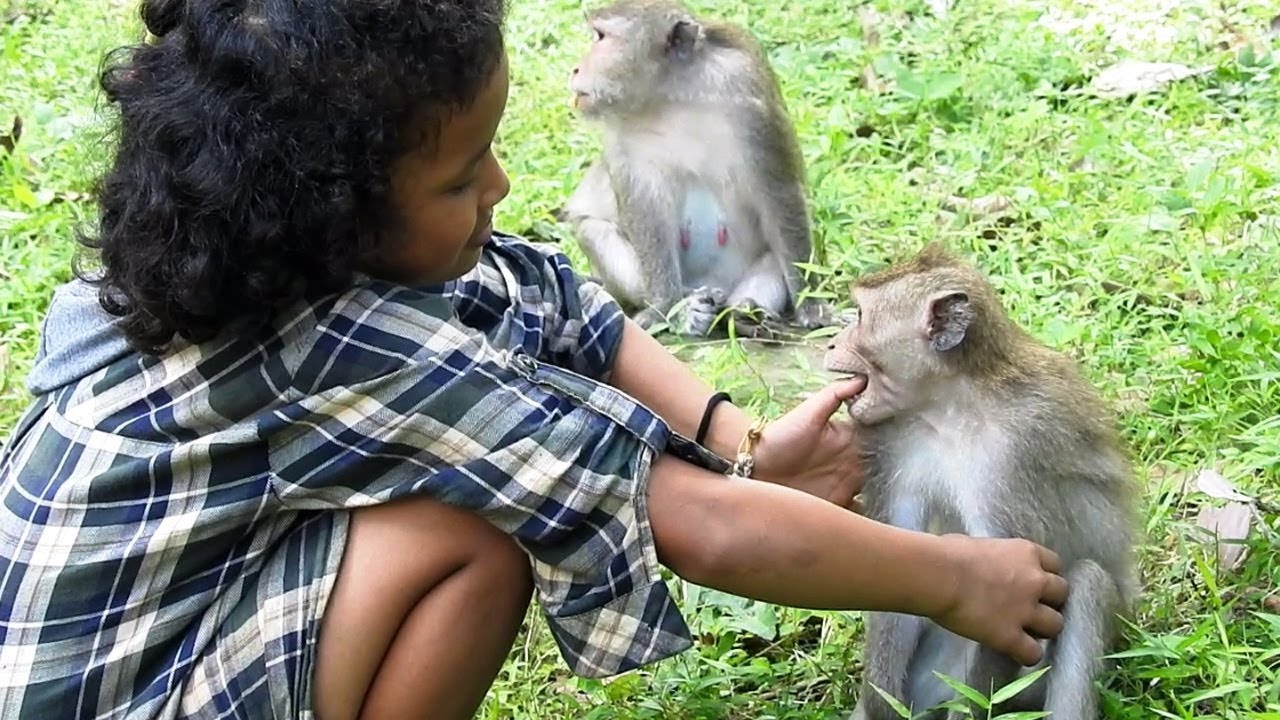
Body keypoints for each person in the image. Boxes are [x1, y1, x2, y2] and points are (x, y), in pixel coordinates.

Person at [0, 1, 1068, 719]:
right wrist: (959, 579)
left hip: (122, 647)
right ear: (333, 210)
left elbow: (556, 306)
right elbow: (702, 527)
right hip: (111, 692)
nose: (501, 188)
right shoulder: (347, 349)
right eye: (464, 175)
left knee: (457, 494)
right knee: (471, 535)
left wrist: (731, 437)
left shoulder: (243, 259)